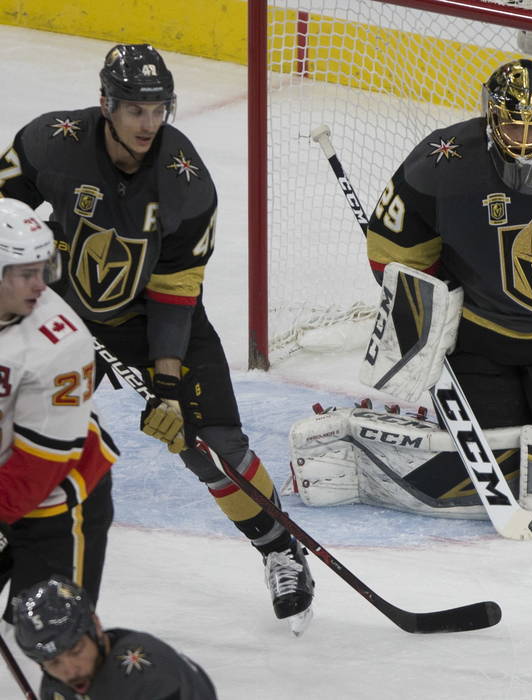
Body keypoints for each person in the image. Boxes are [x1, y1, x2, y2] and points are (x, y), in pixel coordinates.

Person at [0, 43, 314, 631]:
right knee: (19, 414)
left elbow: (174, 293)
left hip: (153, 318)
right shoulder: (50, 142)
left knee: (213, 444)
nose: (148, 122)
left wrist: (165, 385)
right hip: (63, 300)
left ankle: (279, 550)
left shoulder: (185, 181)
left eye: (158, 109)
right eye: (135, 109)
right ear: (105, 105)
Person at [366, 58, 532, 428]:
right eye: (513, 124)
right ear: (491, 114)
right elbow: (393, 252)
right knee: (494, 445)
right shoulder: (443, 164)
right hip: (477, 344)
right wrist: (437, 308)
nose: (524, 138)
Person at [0, 199, 117, 632]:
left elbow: (38, 469)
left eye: (44, 269)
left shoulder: (59, 344)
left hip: (56, 502)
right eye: (27, 273)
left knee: (54, 643)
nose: (41, 285)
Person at [12, 575, 217, 699]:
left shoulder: (149, 675)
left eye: (76, 651)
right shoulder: (56, 685)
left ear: (97, 627)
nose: (70, 670)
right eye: (54, 662)